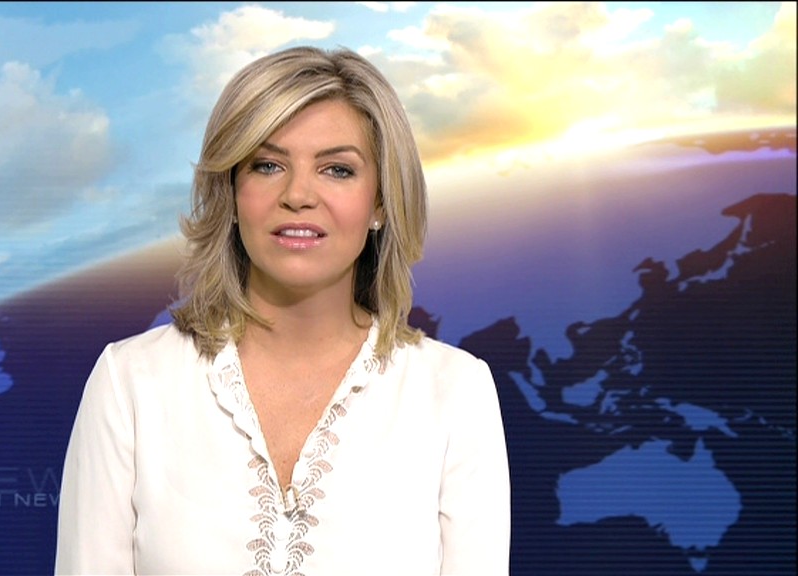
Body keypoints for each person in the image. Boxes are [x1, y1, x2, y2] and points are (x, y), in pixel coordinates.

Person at [55, 45, 510, 575]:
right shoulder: (130, 382)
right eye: (267, 165)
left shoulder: (456, 392)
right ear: (231, 191)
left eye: (337, 169)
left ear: (381, 203)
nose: (298, 194)